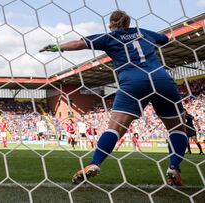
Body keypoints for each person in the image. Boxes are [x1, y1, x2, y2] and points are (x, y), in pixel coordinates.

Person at [41, 10, 187, 186]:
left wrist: (57, 47)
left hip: (133, 82)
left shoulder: (109, 38)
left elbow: (80, 44)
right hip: (161, 79)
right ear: (128, 22)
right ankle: (174, 168)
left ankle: (94, 163)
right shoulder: (143, 32)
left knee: (115, 128)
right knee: (178, 128)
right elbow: (165, 39)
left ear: (111, 24)